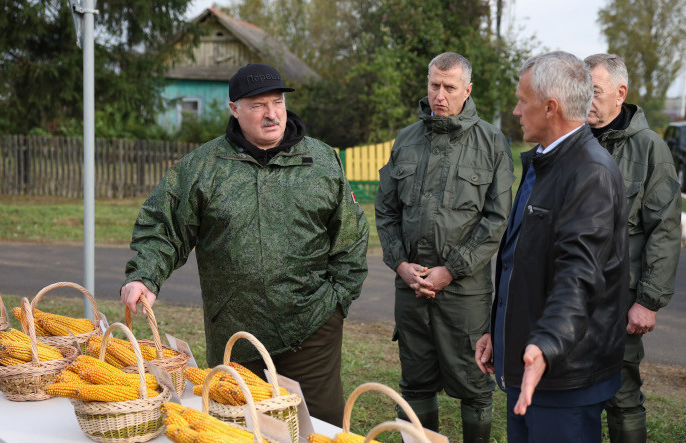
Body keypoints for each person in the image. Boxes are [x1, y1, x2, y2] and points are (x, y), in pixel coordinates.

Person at [120, 63, 369, 426]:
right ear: (234, 109)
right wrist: (145, 275)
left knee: (318, 424)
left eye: (277, 102)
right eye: (257, 105)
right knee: (241, 425)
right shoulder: (202, 168)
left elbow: (351, 233)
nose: (272, 114)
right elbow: (164, 227)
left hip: (311, 326)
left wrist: (336, 300)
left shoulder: (320, 161)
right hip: (236, 332)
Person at [475, 51, 629, 443]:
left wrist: (545, 345)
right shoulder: (543, 163)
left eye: (521, 101)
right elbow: (520, 261)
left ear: (550, 107)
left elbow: (579, 277)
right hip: (530, 364)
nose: (515, 111)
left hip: (563, 378)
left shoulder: (589, 172)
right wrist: (500, 331)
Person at [375, 52, 515, 442]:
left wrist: (451, 269)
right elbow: (386, 210)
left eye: (449, 87)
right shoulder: (406, 139)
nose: (439, 95)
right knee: (415, 382)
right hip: (411, 287)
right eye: (434, 85)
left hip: (464, 292)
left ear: (467, 90)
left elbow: (497, 219)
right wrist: (400, 264)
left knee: (474, 384)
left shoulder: (491, 142)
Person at [585, 53, 682, 443]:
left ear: (620, 93)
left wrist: (648, 300)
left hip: (619, 297)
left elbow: (664, 229)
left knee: (621, 395)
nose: (585, 99)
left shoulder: (650, 149)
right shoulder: (570, 142)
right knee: (571, 393)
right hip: (568, 294)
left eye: (594, 91)